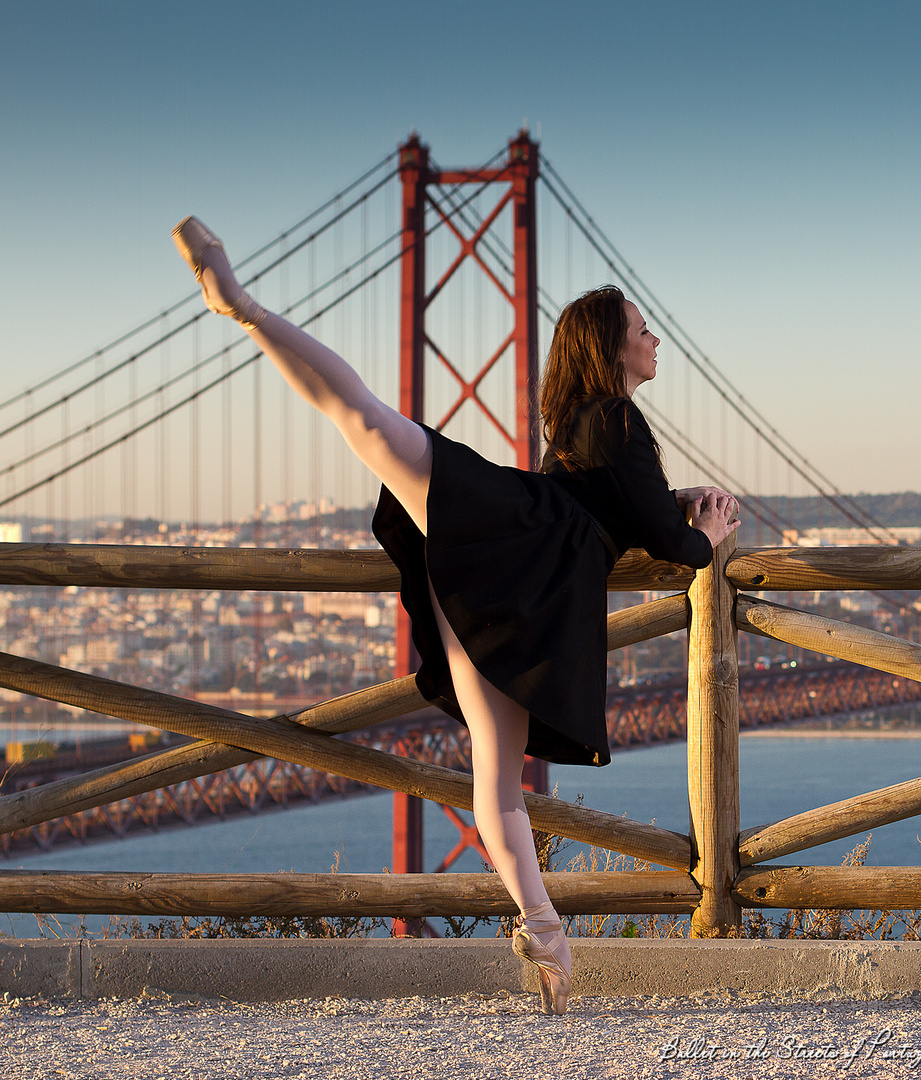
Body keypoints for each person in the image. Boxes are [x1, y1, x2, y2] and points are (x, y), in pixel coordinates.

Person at [172, 217, 738, 1014]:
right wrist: (706, 538)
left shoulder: (580, 425)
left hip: (503, 561)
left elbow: (622, 506)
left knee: (365, 422)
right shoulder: (617, 419)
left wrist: (673, 509)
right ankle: (242, 306)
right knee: (498, 784)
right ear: (614, 350)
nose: (656, 341)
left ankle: (546, 932)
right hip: (533, 565)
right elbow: (665, 542)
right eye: (644, 331)